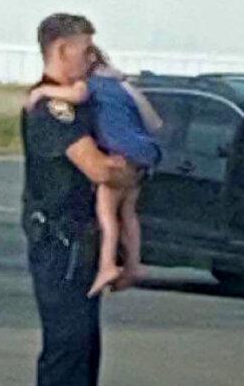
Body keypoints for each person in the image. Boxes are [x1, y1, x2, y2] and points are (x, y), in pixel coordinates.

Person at [21, 13, 138, 386]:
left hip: (82, 242)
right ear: (61, 50)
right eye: (84, 49)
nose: (91, 57)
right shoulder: (53, 109)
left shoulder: (81, 100)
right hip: (60, 244)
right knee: (67, 350)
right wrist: (122, 171)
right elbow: (99, 169)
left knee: (85, 352)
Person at [26, 45, 163, 296]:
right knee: (128, 213)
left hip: (119, 153)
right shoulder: (123, 84)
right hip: (144, 154)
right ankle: (133, 264)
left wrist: (42, 91)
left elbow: (77, 96)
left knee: (106, 212)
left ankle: (107, 265)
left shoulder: (88, 82)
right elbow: (154, 122)